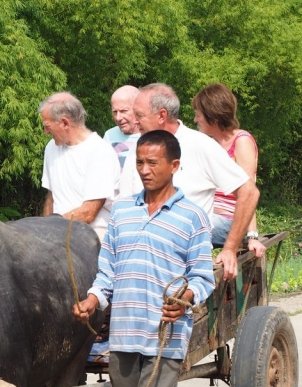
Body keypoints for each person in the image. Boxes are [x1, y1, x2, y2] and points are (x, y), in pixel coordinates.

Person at [73, 130, 215, 387]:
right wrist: (92, 300)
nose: (145, 170)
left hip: (166, 335)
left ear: (174, 165)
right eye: (140, 162)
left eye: (153, 163)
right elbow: (108, 272)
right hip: (124, 333)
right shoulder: (123, 213)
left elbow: (203, 276)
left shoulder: (191, 217)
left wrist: (185, 296)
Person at [118, 83, 260, 280]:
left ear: (161, 115)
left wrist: (229, 248)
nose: (134, 122)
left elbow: (249, 192)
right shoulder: (138, 147)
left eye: (139, 116)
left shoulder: (199, 145)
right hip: (139, 262)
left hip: (184, 265)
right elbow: (124, 206)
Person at [192, 83, 266, 256]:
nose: (195, 120)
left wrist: (252, 236)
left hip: (229, 220)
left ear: (213, 118)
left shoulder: (241, 141)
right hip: (208, 215)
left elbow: (248, 192)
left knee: (190, 231)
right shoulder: (208, 144)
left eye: (198, 115)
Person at [39, 92, 120, 241]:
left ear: (64, 123)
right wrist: (44, 232)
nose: (45, 132)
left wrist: (51, 227)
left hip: (93, 237)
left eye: (47, 126)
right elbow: (51, 197)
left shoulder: (99, 151)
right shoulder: (51, 147)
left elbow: (88, 212)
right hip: (58, 231)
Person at [103, 85, 141, 170]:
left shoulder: (152, 135)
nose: (118, 118)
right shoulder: (109, 136)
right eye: (115, 112)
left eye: (123, 111)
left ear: (138, 109)